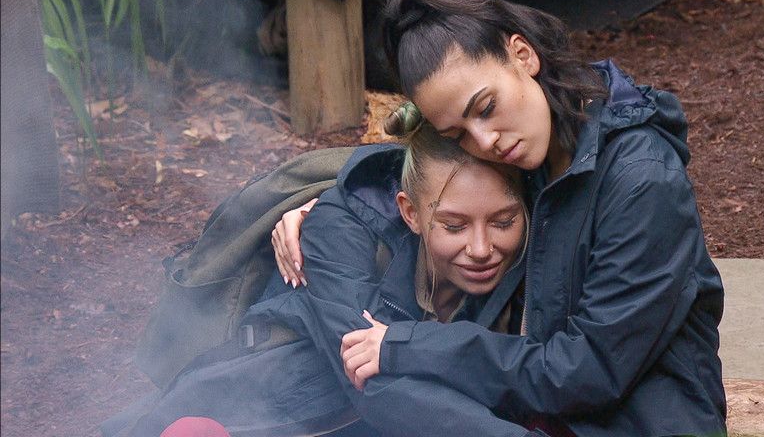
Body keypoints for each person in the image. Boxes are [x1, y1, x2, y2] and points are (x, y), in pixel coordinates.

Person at [276, 0, 727, 436]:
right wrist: (323, 205)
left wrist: (411, 346)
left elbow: (585, 372)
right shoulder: (533, 149)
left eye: (486, 108)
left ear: (523, 55)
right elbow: (426, 178)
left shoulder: (641, 180)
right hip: (537, 415)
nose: (485, 141)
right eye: (458, 135)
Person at [104, 114, 541, 436]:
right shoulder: (340, 228)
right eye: (454, 226)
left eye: (503, 222)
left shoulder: (542, 245)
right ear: (410, 213)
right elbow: (373, 382)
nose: (481, 249)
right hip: (281, 406)